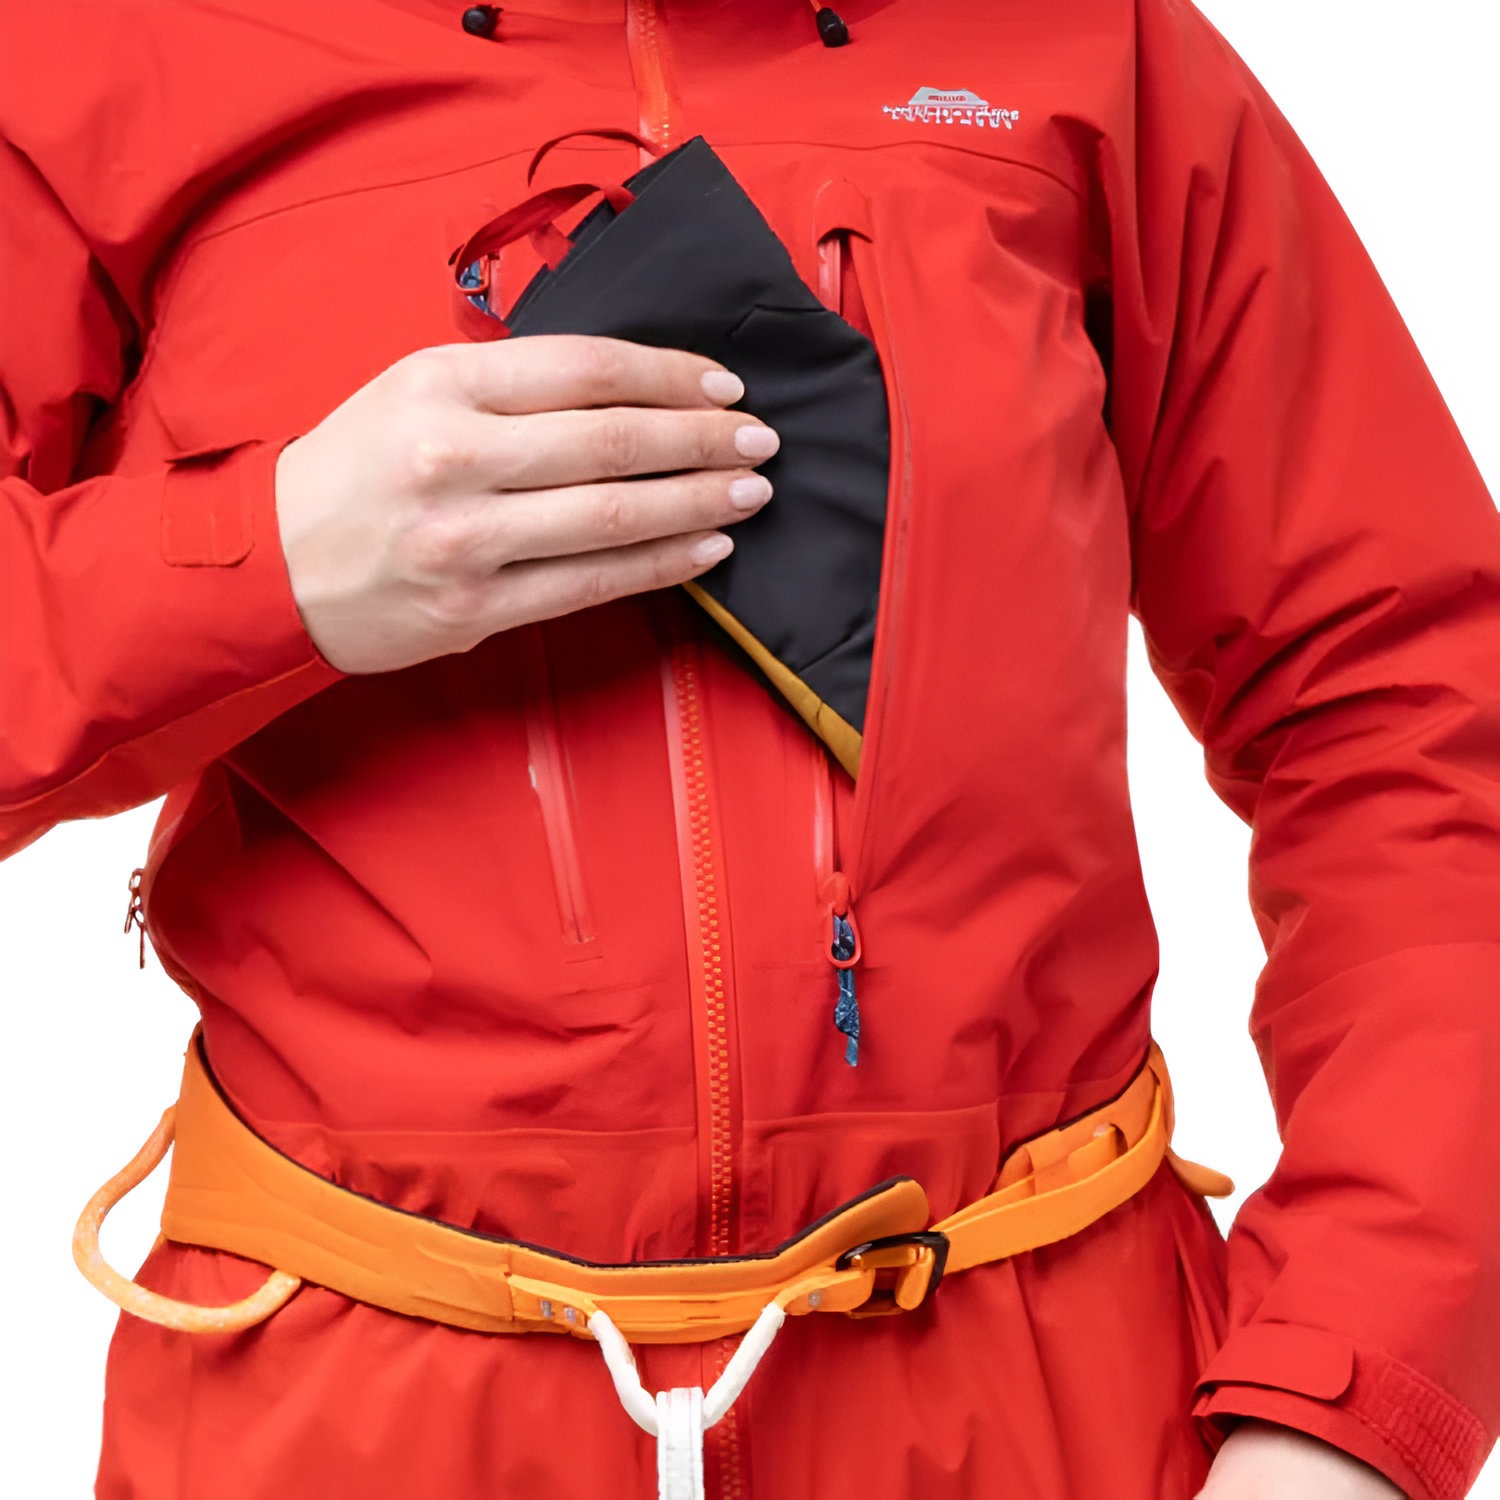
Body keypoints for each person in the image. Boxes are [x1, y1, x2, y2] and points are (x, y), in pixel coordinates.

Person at [2, 2, 1495, 1497]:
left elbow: (1404, 694)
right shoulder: (95, 53)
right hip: (349, 1424)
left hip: (1051, 1404)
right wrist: (261, 562)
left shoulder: (1100, 43)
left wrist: (1354, 1400)